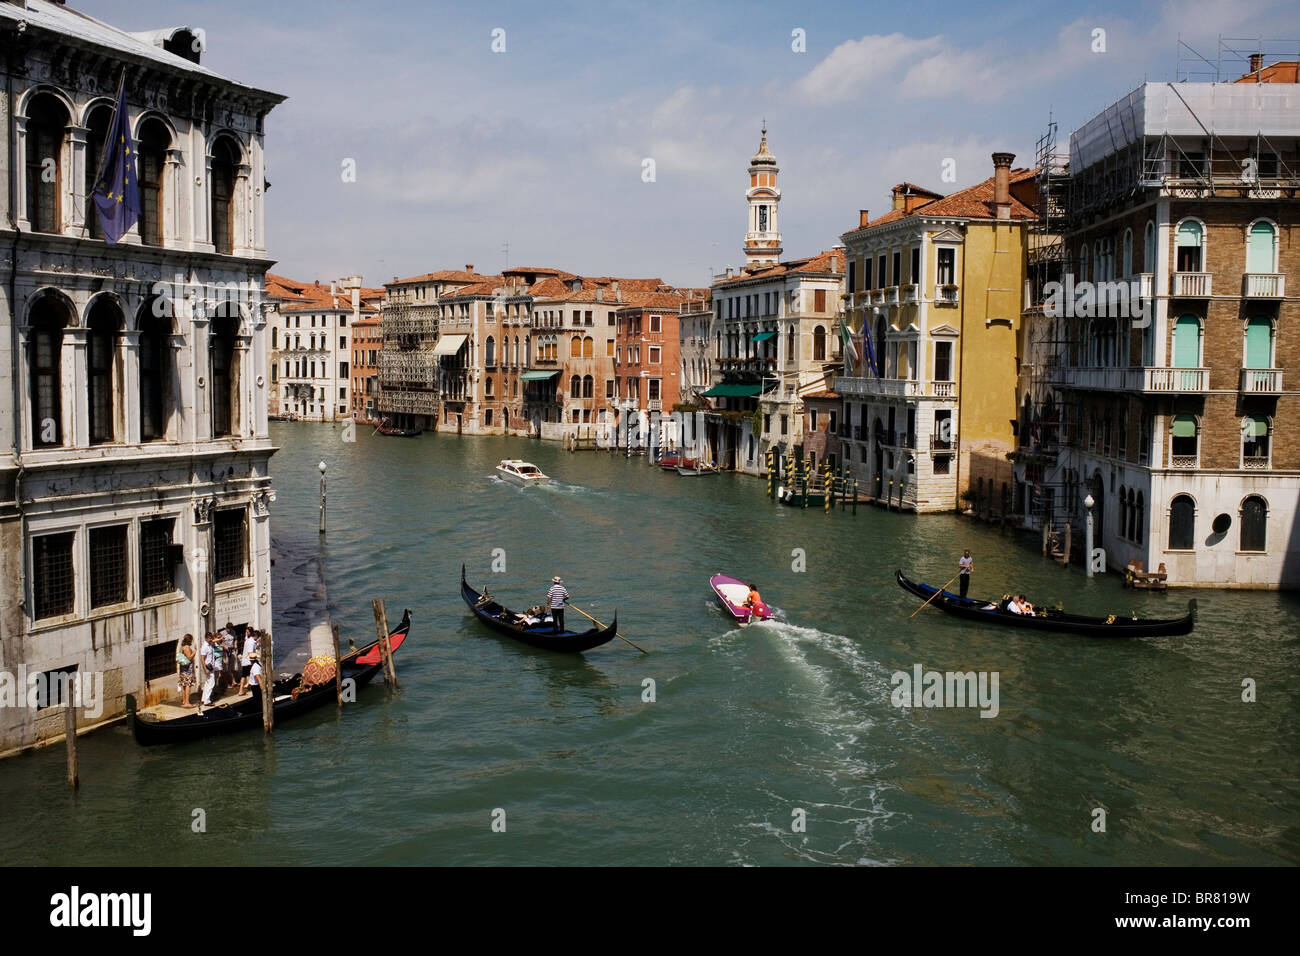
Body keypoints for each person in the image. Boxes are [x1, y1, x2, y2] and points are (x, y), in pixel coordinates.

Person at [176, 634, 197, 708]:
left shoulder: (181, 647)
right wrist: (195, 651)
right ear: (189, 640)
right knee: (188, 685)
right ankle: (187, 702)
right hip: (187, 669)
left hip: (182, 669)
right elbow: (189, 657)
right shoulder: (187, 648)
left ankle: (184, 700)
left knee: (183, 684)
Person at [238, 629, 259, 696]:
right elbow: (250, 653)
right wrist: (258, 657)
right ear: (256, 636)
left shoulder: (248, 640)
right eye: (257, 637)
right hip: (248, 661)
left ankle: (243, 689)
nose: (257, 639)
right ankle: (242, 690)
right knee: (248, 675)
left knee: (244, 675)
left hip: (245, 661)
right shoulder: (251, 642)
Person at [199, 634, 218, 709]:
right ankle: (207, 701)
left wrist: (220, 639)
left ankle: (204, 699)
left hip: (211, 666)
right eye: (210, 638)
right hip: (208, 666)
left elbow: (214, 640)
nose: (211, 640)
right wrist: (205, 669)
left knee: (207, 683)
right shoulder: (205, 647)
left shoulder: (209, 644)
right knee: (211, 683)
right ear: (206, 638)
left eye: (211, 638)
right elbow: (202, 658)